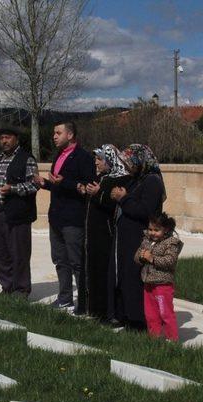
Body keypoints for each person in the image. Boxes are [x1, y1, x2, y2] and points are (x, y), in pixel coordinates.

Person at [34, 121, 94, 310]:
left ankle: (85, 302)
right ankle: (65, 298)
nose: (54, 136)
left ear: (70, 135)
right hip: (56, 218)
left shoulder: (84, 157)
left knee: (77, 262)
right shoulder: (58, 155)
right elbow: (58, 185)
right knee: (60, 260)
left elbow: (86, 187)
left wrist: (64, 182)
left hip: (73, 219)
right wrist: (45, 183)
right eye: (53, 132)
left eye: (58, 133)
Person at [108, 144, 166, 330]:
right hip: (127, 238)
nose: (128, 166)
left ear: (140, 160)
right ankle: (125, 316)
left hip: (139, 238)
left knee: (135, 279)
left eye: (130, 162)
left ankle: (138, 321)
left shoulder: (152, 181)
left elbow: (146, 211)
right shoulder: (137, 179)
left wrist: (123, 199)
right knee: (125, 277)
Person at [0, 126, 39, 298]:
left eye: (7, 137)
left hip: (17, 214)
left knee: (19, 253)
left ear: (16, 139)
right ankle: (7, 287)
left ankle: (21, 290)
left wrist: (12, 189)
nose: (4, 141)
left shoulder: (26, 159)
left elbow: (34, 185)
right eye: (1, 138)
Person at [77, 144, 130, 319]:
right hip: (92, 234)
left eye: (100, 159)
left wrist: (99, 193)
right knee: (89, 269)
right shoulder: (102, 177)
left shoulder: (120, 179)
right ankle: (88, 307)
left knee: (102, 272)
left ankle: (102, 311)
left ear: (110, 160)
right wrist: (86, 191)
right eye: (96, 159)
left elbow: (115, 205)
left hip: (105, 235)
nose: (96, 162)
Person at [135, 212, 183, 341]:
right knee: (150, 313)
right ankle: (154, 337)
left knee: (165, 312)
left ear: (165, 229)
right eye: (150, 229)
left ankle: (171, 339)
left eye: (156, 230)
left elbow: (170, 261)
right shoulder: (146, 241)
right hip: (148, 283)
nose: (152, 233)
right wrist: (141, 256)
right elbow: (137, 257)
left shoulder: (171, 243)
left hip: (162, 285)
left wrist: (152, 258)